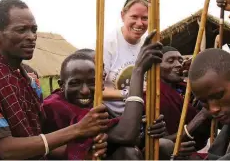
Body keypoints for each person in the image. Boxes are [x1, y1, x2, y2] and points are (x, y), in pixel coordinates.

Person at [0, 0, 109, 159]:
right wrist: (78, 129)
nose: (31, 37)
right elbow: (6, 150)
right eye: (21, 30)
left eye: (34, 30)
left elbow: (36, 138)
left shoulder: (30, 77)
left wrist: (84, 152)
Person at [43, 31, 171, 159]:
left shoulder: (95, 104)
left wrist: (146, 129)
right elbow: (125, 135)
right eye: (75, 83)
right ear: (61, 85)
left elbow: (125, 137)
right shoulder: (55, 106)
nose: (85, 90)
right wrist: (138, 71)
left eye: (93, 80)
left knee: (160, 146)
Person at [103, 0, 149, 116]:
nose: (139, 23)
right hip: (111, 117)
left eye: (145, 18)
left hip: (142, 115)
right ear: (123, 15)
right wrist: (130, 94)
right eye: (134, 17)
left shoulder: (148, 45)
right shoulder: (107, 44)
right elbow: (96, 90)